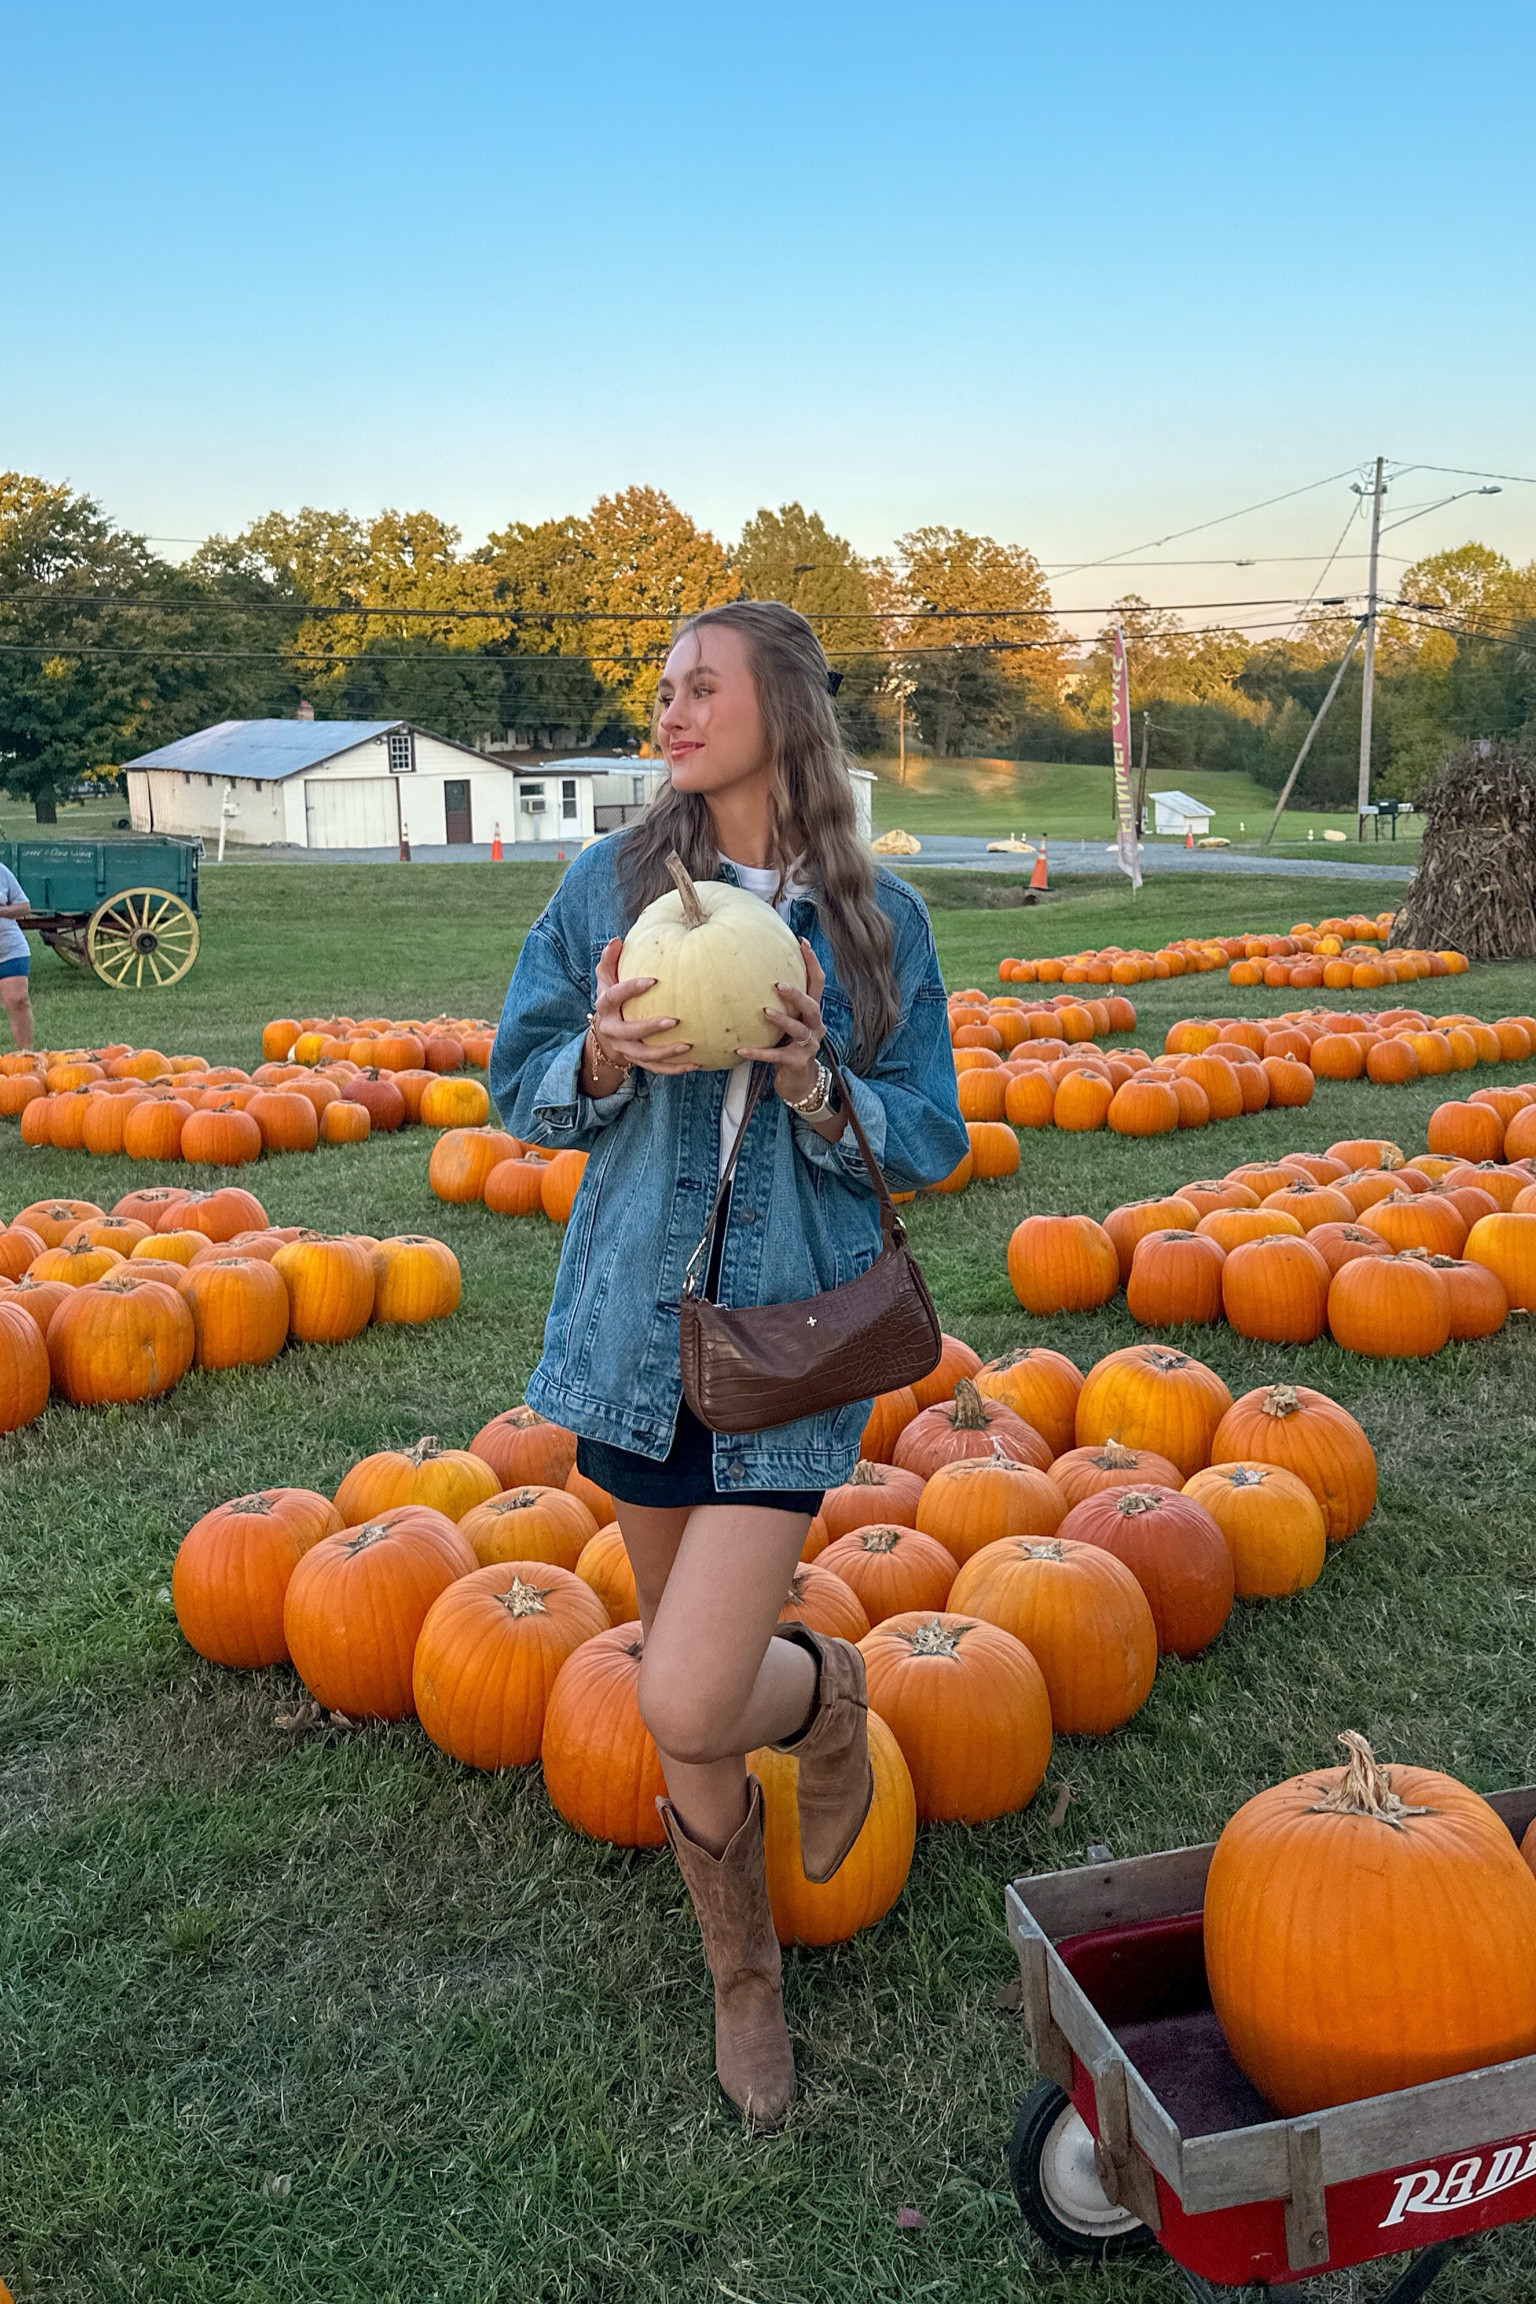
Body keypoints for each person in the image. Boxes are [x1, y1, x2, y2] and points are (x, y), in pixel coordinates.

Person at [490, 600, 966, 2128]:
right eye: (665, 689)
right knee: (681, 1698)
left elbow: (933, 1131)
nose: (673, 712)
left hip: (787, 1348)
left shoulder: (876, 920)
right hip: (633, 1341)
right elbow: (519, 1085)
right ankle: (742, 1965)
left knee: (688, 1699)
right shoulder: (611, 887)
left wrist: (822, 1079)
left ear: (785, 710)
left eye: (705, 687)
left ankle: (817, 1699)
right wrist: (607, 1060)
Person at [0, 859, 35, 1052]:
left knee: (18, 1001)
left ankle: (26, 1057)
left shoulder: (1, 871)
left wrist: (3, 910)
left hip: (9, 948)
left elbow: (24, 906)